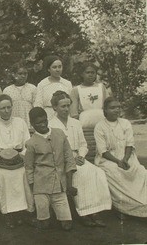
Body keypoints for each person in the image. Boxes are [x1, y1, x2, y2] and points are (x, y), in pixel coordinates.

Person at [49, 91, 112, 227]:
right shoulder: (51, 125)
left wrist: (81, 156)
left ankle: (96, 212)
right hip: (62, 160)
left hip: (78, 157)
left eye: (68, 106)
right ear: (54, 107)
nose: (66, 109)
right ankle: (84, 213)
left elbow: (83, 144)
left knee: (97, 172)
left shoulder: (76, 123)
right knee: (81, 175)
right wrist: (70, 159)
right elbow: (52, 149)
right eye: (62, 106)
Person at [0, 94, 34, 227]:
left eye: (9, 107)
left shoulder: (21, 122)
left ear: (12, 107)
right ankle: (8, 214)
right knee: (3, 175)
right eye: (3, 108)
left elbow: (28, 144)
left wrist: (21, 156)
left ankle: (25, 211)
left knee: (24, 173)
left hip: (19, 159)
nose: (6, 111)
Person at [25, 107, 77, 231]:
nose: (43, 125)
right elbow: (29, 167)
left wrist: (69, 185)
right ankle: (41, 217)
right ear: (32, 124)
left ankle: (57, 214)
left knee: (67, 225)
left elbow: (69, 158)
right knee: (44, 225)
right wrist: (34, 189)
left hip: (59, 185)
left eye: (44, 121)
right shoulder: (31, 143)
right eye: (38, 123)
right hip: (41, 186)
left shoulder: (59, 134)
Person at [94, 97, 147, 218]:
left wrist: (125, 159)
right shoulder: (100, 126)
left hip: (126, 156)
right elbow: (103, 151)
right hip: (108, 159)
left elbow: (129, 144)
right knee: (115, 172)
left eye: (118, 107)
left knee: (139, 171)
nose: (116, 110)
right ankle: (123, 208)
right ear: (105, 110)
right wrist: (118, 161)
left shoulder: (125, 123)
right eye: (112, 108)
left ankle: (144, 202)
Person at [70, 62, 109, 127]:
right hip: (84, 123)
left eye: (93, 73)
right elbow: (74, 113)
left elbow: (108, 105)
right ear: (82, 74)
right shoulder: (76, 90)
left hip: (102, 121)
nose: (90, 75)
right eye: (87, 72)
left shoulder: (101, 87)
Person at [34, 55, 72, 120]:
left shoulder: (67, 83)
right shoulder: (42, 84)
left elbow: (71, 103)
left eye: (60, 67)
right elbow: (38, 104)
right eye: (54, 67)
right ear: (49, 69)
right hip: (48, 115)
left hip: (64, 115)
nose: (57, 70)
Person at [3, 63, 36, 128]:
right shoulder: (7, 90)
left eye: (25, 74)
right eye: (20, 74)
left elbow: (36, 106)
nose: (23, 76)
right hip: (13, 122)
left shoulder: (33, 88)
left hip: (29, 121)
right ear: (14, 74)